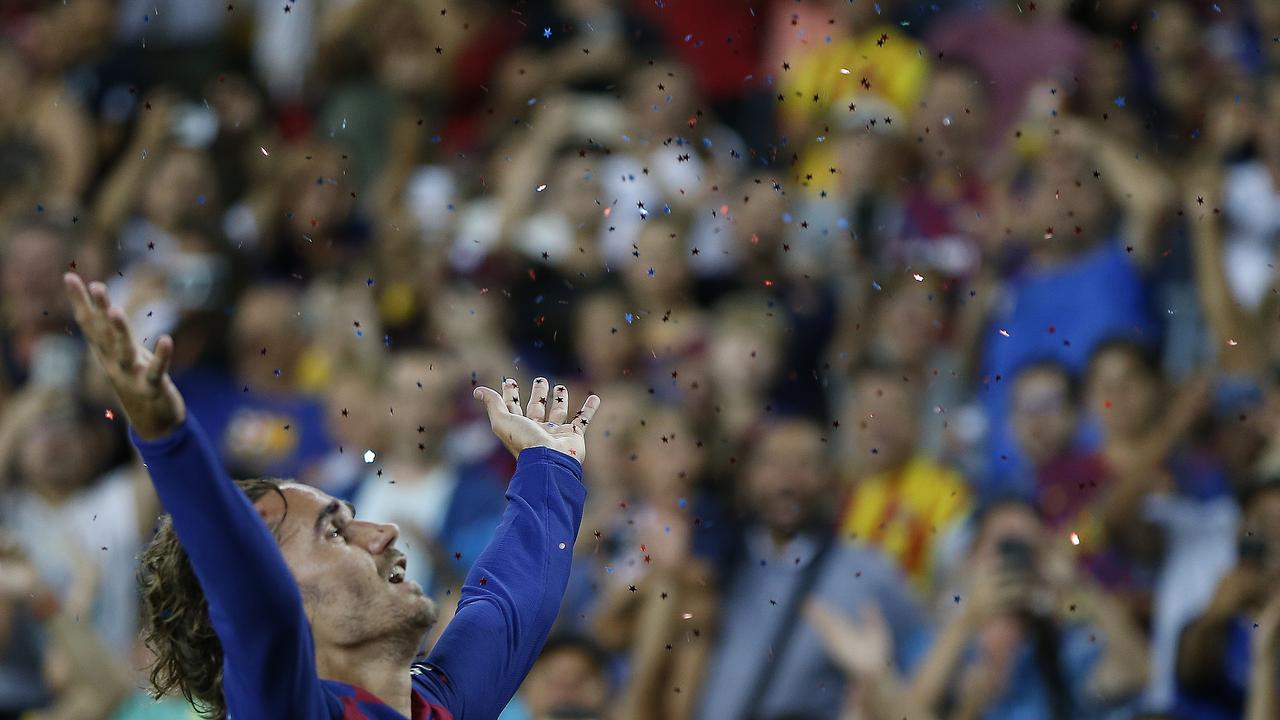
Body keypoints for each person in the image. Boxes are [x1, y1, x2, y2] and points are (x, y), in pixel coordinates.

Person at [62, 272, 602, 719]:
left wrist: (549, 462)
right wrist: (169, 440)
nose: (383, 529)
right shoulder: (284, 710)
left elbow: (510, 602)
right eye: (334, 532)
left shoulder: (435, 704)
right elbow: (253, 601)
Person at [694, 416, 925, 720]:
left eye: (805, 465)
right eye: (772, 464)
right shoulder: (719, 565)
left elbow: (925, 666)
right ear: (747, 477)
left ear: (831, 478)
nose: (787, 482)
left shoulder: (868, 573)